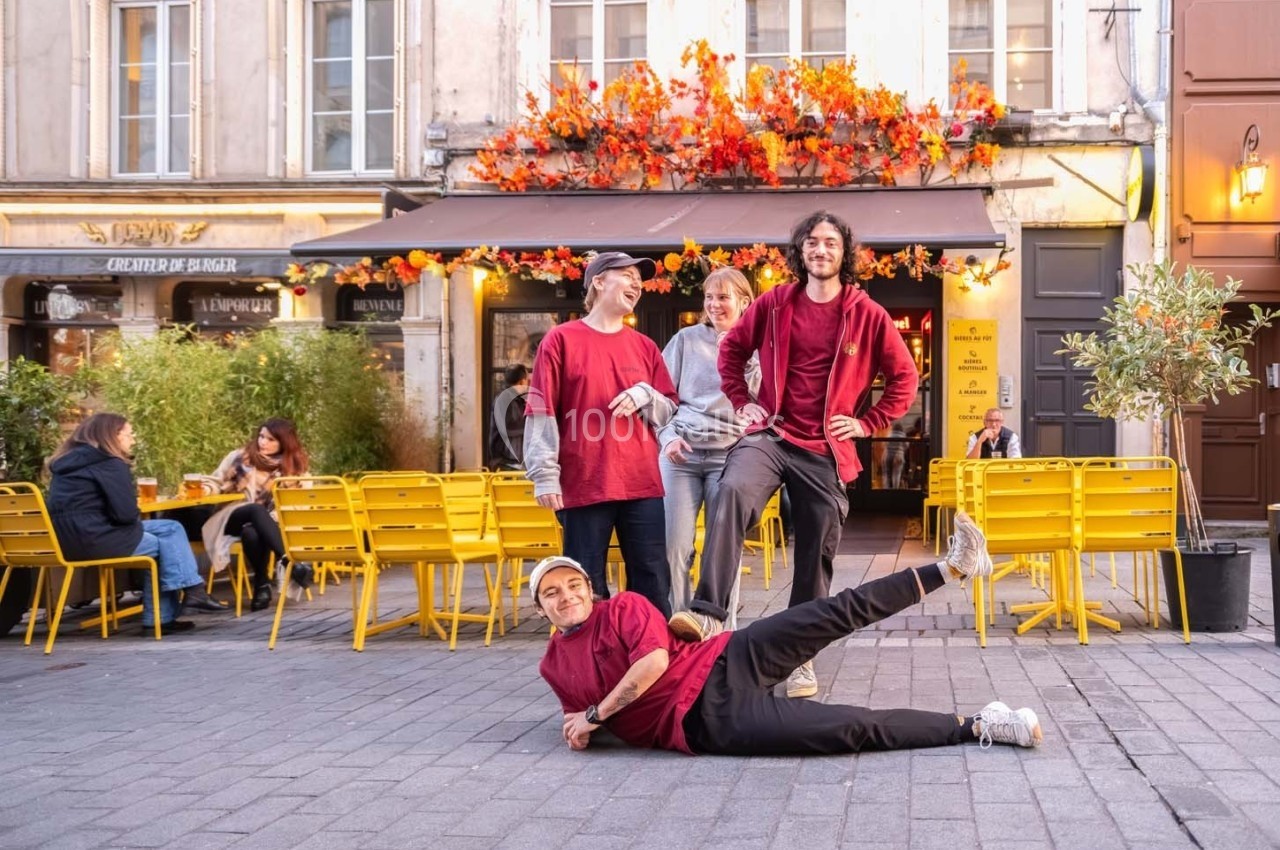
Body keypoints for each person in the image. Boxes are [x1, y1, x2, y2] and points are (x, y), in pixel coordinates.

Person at [534, 512, 1043, 756]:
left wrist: (597, 715)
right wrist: (584, 728)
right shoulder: (553, 666)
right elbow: (579, 724)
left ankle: (953, 567)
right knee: (848, 728)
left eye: (574, 584)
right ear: (541, 609)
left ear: (589, 587)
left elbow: (651, 666)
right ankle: (980, 725)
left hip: (727, 656)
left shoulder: (623, 606)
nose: (567, 596)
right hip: (706, 723)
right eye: (552, 593)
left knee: (833, 611)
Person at [669, 211, 920, 700]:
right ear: (800, 251)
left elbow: (904, 379)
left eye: (830, 242)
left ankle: (799, 654)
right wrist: (745, 405)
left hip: (825, 448)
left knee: (817, 547)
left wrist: (866, 423)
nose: (820, 249)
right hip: (773, 434)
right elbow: (732, 352)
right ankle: (708, 611)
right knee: (733, 488)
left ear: (844, 252)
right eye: (811, 241)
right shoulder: (775, 303)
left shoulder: (866, 313)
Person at [524, 251, 679, 617]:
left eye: (639, 280)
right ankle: (595, 663)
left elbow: (669, 409)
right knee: (585, 584)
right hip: (584, 483)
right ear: (597, 281)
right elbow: (541, 410)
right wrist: (545, 476)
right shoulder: (561, 340)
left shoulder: (645, 347)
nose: (636, 284)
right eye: (626, 276)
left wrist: (647, 395)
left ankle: (656, 659)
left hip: (642, 483)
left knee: (653, 580)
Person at [46, 412, 228, 635]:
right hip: (98, 540)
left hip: (66, 541)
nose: (133, 439)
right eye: (130, 434)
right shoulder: (110, 463)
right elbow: (124, 515)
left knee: (170, 528)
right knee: (166, 544)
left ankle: (192, 593)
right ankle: (169, 611)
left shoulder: (65, 464)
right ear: (114, 436)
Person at [658, 268, 760, 624]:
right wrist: (667, 435)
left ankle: (720, 629)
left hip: (729, 456)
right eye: (709, 297)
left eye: (723, 297)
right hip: (681, 456)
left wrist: (742, 357)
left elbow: (764, 401)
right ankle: (681, 625)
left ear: (743, 301)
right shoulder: (685, 341)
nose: (714, 305)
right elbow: (662, 397)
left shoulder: (757, 345)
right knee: (676, 549)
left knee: (723, 550)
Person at [201, 418, 311, 612]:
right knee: (255, 510)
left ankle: (262, 585)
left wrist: (273, 519)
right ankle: (289, 561)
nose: (263, 442)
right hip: (231, 516)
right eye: (261, 436)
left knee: (252, 533)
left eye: (270, 439)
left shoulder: (295, 469)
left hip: (271, 524)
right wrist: (205, 490)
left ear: (284, 442)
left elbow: (300, 503)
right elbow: (215, 480)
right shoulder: (238, 457)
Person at [488, 363, 530, 471]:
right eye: (527, 381)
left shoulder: (518, 400)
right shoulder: (504, 400)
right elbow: (509, 428)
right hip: (507, 463)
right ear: (522, 381)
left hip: (514, 463)